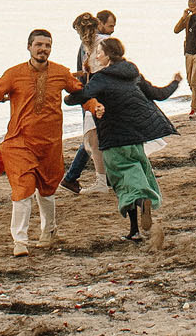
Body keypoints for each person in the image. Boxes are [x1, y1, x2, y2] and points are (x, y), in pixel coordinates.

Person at [0, 29, 85, 257]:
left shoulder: (60, 73)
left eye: (47, 45)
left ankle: (49, 231)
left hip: (50, 144)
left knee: (47, 190)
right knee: (23, 189)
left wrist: (95, 105)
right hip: (20, 142)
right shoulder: (14, 74)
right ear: (29, 47)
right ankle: (20, 241)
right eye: (39, 45)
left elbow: (81, 93)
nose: (43, 49)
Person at [68, 38, 180, 247]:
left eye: (99, 52)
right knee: (134, 178)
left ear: (108, 55)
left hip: (113, 138)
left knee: (122, 184)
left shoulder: (102, 78)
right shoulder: (133, 73)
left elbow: (78, 97)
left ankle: (141, 206)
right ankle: (134, 230)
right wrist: (175, 82)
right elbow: (158, 94)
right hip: (136, 138)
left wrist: (70, 89)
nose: (97, 56)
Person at [60, 12, 106, 195]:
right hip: (94, 94)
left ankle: (81, 177)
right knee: (94, 137)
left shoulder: (95, 44)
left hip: (92, 94)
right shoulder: (95, 44)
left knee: (93, 137)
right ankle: (94, 179)